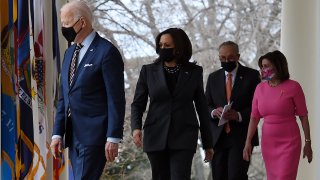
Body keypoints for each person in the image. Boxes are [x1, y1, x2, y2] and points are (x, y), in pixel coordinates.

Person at [50, 1, 125, 179]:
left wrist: (113, 137)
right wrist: (57, 133)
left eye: (66, 24)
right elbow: (64, 97)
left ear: (82, 22)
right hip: (73, 136)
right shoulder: (69, 53)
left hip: (95, 136)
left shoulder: (106, 52)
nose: (63, 28)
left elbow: (115, 98)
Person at [131, 28, 214, 180]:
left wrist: (208, 143)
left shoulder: (194, 71)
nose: (163, 49)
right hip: (155, 136)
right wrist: (136, 128)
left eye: (167, 45)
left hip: (184, 136)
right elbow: (137, 104)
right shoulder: (148, 71)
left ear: (179, 47)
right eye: (160, 45)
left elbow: (202, 108)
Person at [243, 50, 313, 180]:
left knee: (284, 177)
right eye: (262, 66)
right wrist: (248, 142)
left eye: (266, 66)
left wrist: (308, 143)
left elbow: (303, 116)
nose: (263, 70)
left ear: (278, 66)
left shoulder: (294, 87)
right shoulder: (260, 88)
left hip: (289, 142)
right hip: (269, 143)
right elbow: (254, 117)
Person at [205, 41, 260, 180]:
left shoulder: (252, 76)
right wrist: (213, 112)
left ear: (238, 56)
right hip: (217, 138)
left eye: (230, 57)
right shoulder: (213, 77)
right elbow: (206, 105)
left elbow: (258, 107)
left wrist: (239, 115)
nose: (226, 61)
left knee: (237, 176)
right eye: (222, 58)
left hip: (241, 137)